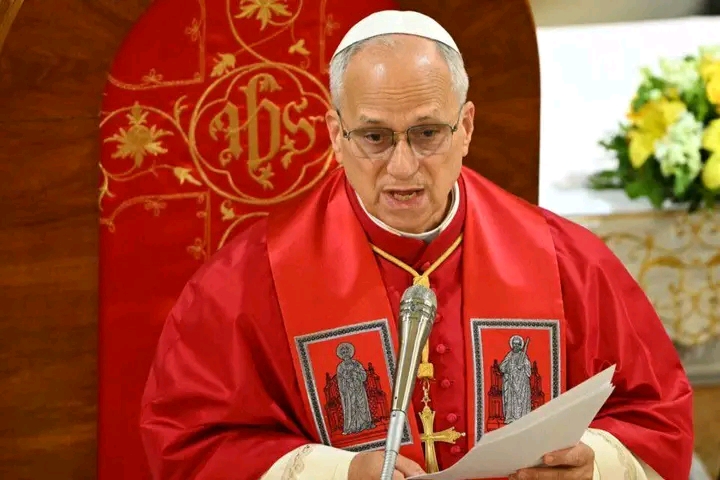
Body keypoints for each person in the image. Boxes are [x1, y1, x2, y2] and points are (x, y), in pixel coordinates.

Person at [139, 9, 693, 480]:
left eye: (427, 133)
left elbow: (658, 418)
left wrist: (592, 463)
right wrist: (338, 473)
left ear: (466, 127)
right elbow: (190, 443)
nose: (402, 167)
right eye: (375, 136)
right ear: (335, 134)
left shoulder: (568, 263)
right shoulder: (247, 282)